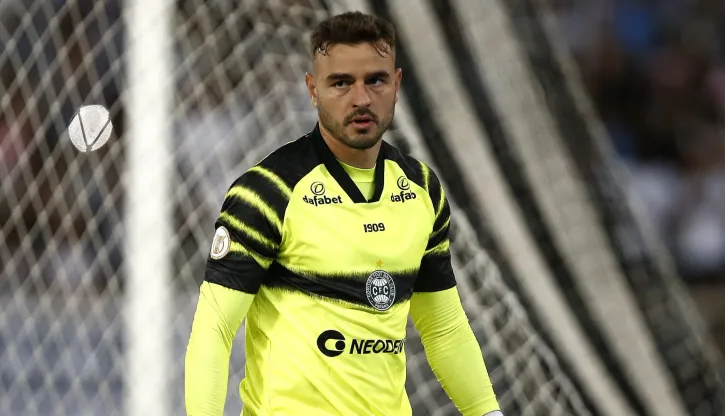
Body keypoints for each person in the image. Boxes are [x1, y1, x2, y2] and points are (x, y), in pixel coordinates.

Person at [185, 11, 502, 416]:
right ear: (313, 89)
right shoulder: (268, 191)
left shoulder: (422, 189)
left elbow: (444, 329)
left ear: (397, 84)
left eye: (375, 80)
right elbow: (214, 330)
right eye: (341, 83)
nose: (361, 98)